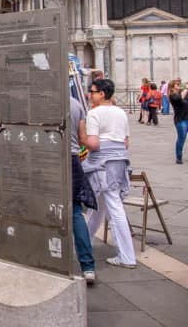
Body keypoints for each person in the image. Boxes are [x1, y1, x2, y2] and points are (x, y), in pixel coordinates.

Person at [83, 79, 137, 269]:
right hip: (119, 162)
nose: (90, 94)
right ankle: (84, 242)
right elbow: (126, 142)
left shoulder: (94, 113)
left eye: (92, 91)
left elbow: (93, 144)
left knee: (113, 207)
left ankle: (127, 256)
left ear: (102, 94)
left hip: (101, 164)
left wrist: (83, 139)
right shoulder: (121, 112)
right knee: (98, 206)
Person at [69, 95, 96, 284]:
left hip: (45, 158)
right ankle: (88, 267)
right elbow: (83, 138)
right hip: (71, 159)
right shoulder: (75, 103)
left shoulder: (38, 97)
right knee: (76, 211)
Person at [168, 79, 188, 165]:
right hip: (181, 119)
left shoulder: (181, 93)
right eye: (177, 84)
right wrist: (185, 91)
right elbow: (179, 99)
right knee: (181, 139)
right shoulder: (172, 95)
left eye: (179, 84)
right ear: (173, 86)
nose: (179, 85)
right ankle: (179, 157)